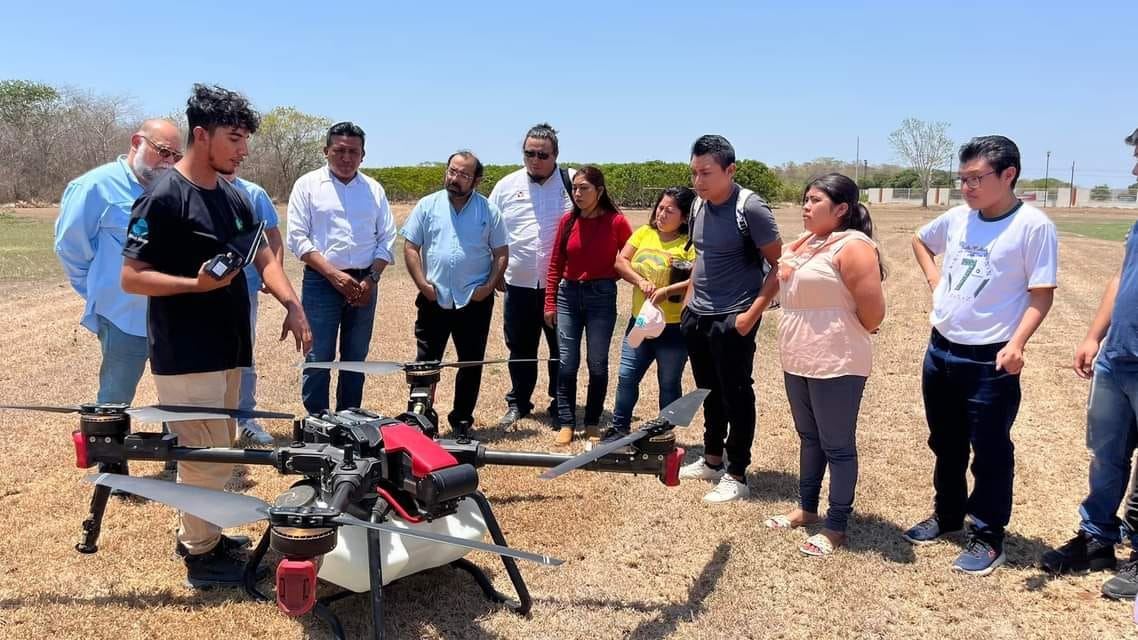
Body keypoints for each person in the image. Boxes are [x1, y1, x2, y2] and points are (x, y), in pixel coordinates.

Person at [120, 84, 311, 588]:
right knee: (201, 456)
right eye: (235, 138)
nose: (243, 149)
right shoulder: (161, 198)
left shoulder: (231, 194)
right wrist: (195, 284)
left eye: (246, 139)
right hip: (186, 353)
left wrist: (291, 304)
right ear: (201, 136)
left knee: (219, 449)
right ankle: (200, 556)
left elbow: (263, 254)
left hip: (230, 348)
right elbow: (132, 276)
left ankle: (208, 534)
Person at [905, 135, 1057, 576]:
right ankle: (948, 515)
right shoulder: (957, 218)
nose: (967, 187)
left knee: (989, 451)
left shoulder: (1033, 226)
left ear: (1008, 175)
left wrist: (1017, 343)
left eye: (976, 178)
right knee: (945, 442)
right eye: (963, 179)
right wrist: (935, 280)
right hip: (941, 350)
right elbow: (919, 240)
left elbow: (1040, 295)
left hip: (991, 360)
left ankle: (988, 536)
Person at [760, 174, 885, 557]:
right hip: (798, 354)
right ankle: (807, 508)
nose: (806, 206)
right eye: (805, 199)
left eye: (815, 200)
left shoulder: (854, 247)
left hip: (837, 359)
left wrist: (839, 332)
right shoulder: (807, 243)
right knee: (809, 437)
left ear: (842, 208)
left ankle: (837, 525)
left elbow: (874, 313)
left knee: (837, 445)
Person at [1041, 128, 1138, 599]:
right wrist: (1094, 335)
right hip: (1118, 358)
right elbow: (1122, 275)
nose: (1135, 169)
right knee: (1106, 455)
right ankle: (1097, 539)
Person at [677, 135, 782, 504]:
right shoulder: (697, 206)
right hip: (698, 315)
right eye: (694, 173)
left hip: (733, 317)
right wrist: (689, 305)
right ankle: (711, 459)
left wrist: (749, 316)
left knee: (737, 394)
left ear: (730, 170)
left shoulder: (750, 208)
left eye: (706, 173)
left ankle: (737, 474)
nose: (698, 181)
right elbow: (701, 259)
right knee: (708, 391)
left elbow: (778, 266)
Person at [54, 118, 183, 406]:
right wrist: (100, 293)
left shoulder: (175, 189)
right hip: (122, 316)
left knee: (178, 400)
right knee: (115, 400)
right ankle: (106, 451)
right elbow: (71, 249)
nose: (169, 162)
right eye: (163, 151)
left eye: (176, 156)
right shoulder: (94, 187)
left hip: (172, 316)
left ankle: (174, 452)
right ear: (137, 143)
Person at [287, 121, 396, 414]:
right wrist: (334, 275)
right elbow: (298, 238)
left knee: (355, 358)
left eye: (353, 152)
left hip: (364, 283)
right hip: (322, 283)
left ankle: (349, 419)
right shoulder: (307, 186)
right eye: (339, 151)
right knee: (318, 356)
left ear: (363, 155)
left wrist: (371, 279)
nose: (346, 158)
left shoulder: (373, 190)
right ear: (326, 151)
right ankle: (317, 422)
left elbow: (387, 238)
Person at [401, 150, 508, 435]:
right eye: (452, 171)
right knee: (425, 363)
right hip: (434, 298)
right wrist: (423, 285)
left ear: (476, 180)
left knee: (471, 364)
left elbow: (501, 252)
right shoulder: (427, 206)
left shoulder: (488, 210)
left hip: (474, 301)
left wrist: (487, 288)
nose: (455, 179)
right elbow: (411, 246)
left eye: (463, 175)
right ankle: (421, 419)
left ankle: (462, 420)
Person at [490, 123, 574, 428]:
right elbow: (492, 230)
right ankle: (519, 403)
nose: (535, 160)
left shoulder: (572, 182)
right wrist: (494, 270)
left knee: (561, 349)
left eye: (542, 154)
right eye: (529, 153)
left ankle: (560, 404)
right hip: (519, 282)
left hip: (562, 286)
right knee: (521, 348)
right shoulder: (505, 186)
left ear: (556, 155)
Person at [543, 166, 631, 445]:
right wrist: (550, 302)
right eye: (575, 188)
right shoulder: (567, 221)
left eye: (584, 188)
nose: (577, 193)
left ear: (600, 191)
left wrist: (612, 275)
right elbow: (556, 263)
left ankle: (592, 421)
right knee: (567, 363)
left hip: (601, 297)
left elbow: (630, 256)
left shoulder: (616, 222)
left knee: (597, 363)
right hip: (568, 296)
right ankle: (567, 422)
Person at [608, 186, 697, 438]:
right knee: (626, 376)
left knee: (668, 383)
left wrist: (667, 291)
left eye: (670, 210)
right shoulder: (644, 233)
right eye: (660, 208)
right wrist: (639, 281)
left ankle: (664, 434)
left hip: (673, 327)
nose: (662, 214)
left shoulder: (690, 243)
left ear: (684, 216)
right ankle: (619, 428)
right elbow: (620, 261)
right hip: (640, 322)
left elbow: (698, 278)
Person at [221, 169, 283, 445]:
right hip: (199, 291)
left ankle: (245, 419)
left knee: (244, 355)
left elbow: (273, 236)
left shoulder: (254, 194)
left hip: (244, 289)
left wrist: (274, 274)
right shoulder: (193, 190)